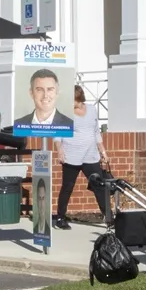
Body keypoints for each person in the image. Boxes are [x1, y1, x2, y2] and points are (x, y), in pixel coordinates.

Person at [53, 85, 110, 229]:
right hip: (71, 156)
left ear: (78, 98)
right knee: (68, 187)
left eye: (72, 99)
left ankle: (109, 217)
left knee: (99, 186)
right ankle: (60, 218)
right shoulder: (65, 113)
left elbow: (96, 131)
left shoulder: (91, 110)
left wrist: (103, 152)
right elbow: (58, 134)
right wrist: (60, 151)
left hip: (91, 155)